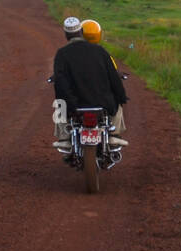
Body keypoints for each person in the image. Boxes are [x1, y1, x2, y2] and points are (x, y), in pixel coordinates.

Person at [52, 16, 128, 150]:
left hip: (74, 105)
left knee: (60, 104)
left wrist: (67, 101)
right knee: (117, 103)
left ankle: (64, 138)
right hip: (102, 102)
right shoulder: (100, 51)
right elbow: (113, 78)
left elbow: (60, 82)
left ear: (65, 34)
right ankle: (114, 135)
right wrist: (121, 96)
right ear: (81, 31)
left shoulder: (62, 54)